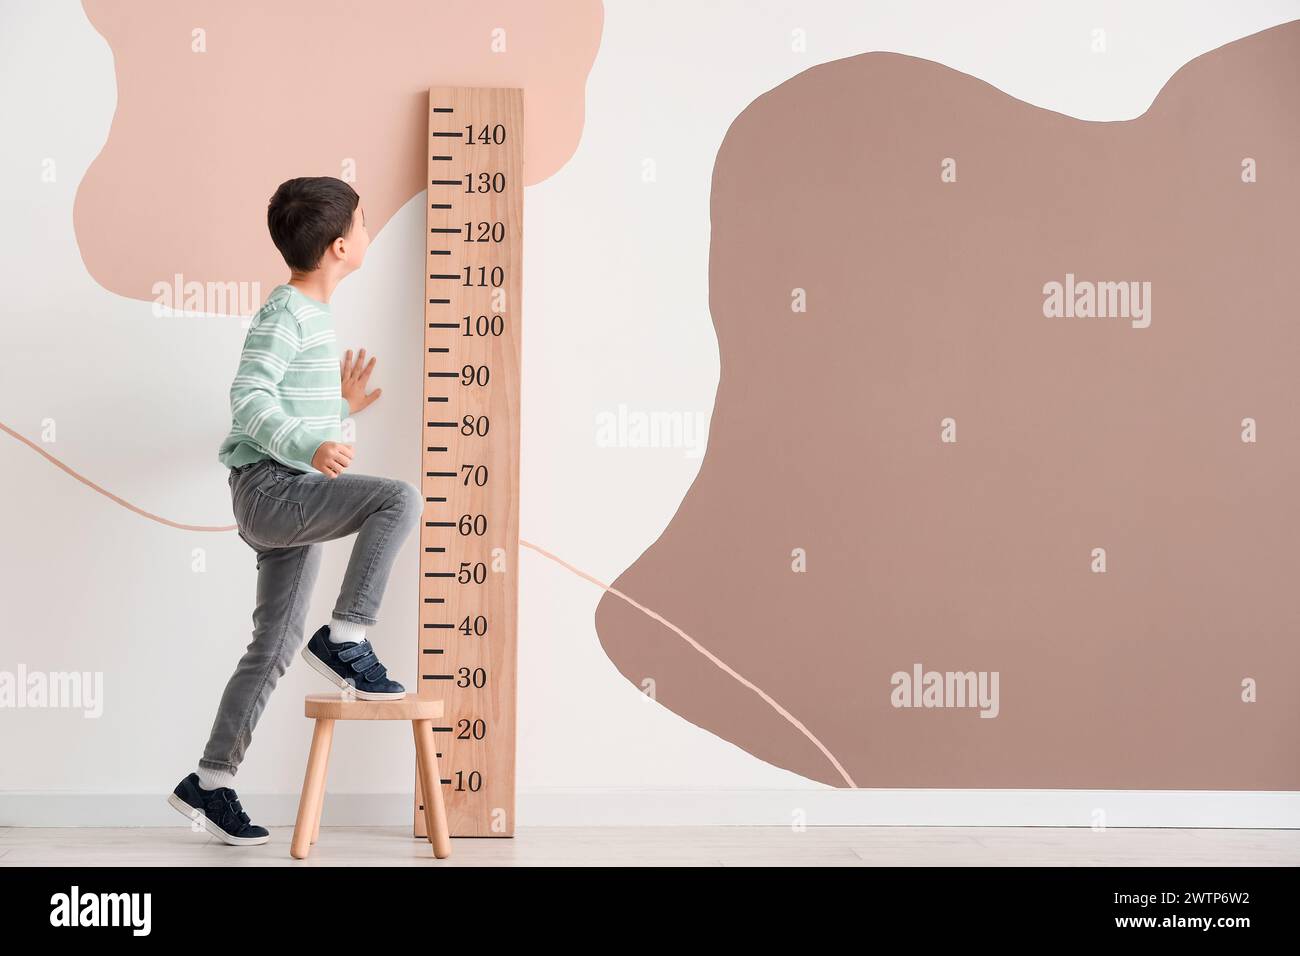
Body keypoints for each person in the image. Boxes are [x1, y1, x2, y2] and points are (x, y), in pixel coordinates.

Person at [167, 177, 422, 845]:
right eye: (365, 224)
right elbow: (248, 400)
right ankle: (347, 638)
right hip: (273, 491)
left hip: (288, 493)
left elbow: (304, 429)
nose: (368, 234)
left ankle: (210, 782)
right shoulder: (286, 313)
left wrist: (338, 411)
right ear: (341, 247)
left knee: (274, 649)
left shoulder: (312, 315)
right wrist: (311, 438)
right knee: (396, 498)